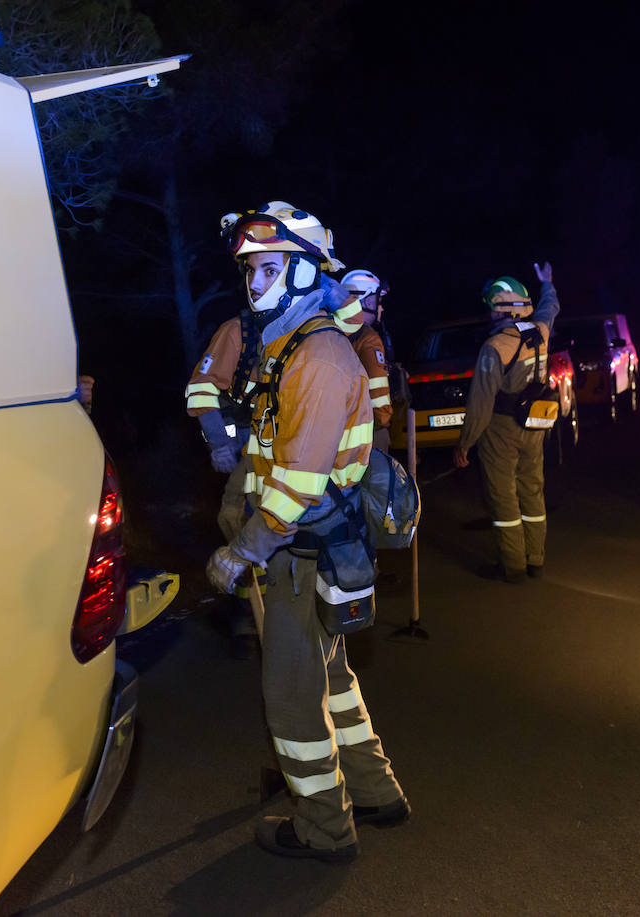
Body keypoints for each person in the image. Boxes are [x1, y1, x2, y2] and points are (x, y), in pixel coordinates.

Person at [205, 202, 408, 863]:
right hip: (313, 552)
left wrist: (240, 553)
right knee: (335, 680)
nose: (253, 284)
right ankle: (376, 793)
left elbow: (294, 487)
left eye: (269, 269)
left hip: (297, 553)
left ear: (303, 274)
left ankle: (325, 828)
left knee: (294, 700)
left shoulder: (318, 358)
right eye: (249, 271)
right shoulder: (292, 346)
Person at [452, 264, 560, 583]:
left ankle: (513, 566)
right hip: (535, 425)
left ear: (503, 309)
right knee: (532, 488)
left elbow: (481, 404)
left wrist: (465, 444)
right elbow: (550, 306)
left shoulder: (495, 347)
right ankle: (535, 559)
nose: (489, 316)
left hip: (501, 429)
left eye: (492, 309)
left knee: (503, 495)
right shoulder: (540, 331)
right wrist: (548, 283)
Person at [186, 315, 263, 658]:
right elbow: (201, 388)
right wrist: (219, 442)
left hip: (297, 455)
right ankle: (250, 610)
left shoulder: (315, 329)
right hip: (250, 451)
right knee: (236, 520)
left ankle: (269, 615)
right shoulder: (238, 332)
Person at [336, 269, 394, 452]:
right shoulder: (368, 338)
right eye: (379, 301)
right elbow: (378, 396)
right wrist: (383, 419)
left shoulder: (330, 330)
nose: (381, 308)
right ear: (368, 300)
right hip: (367, 433)